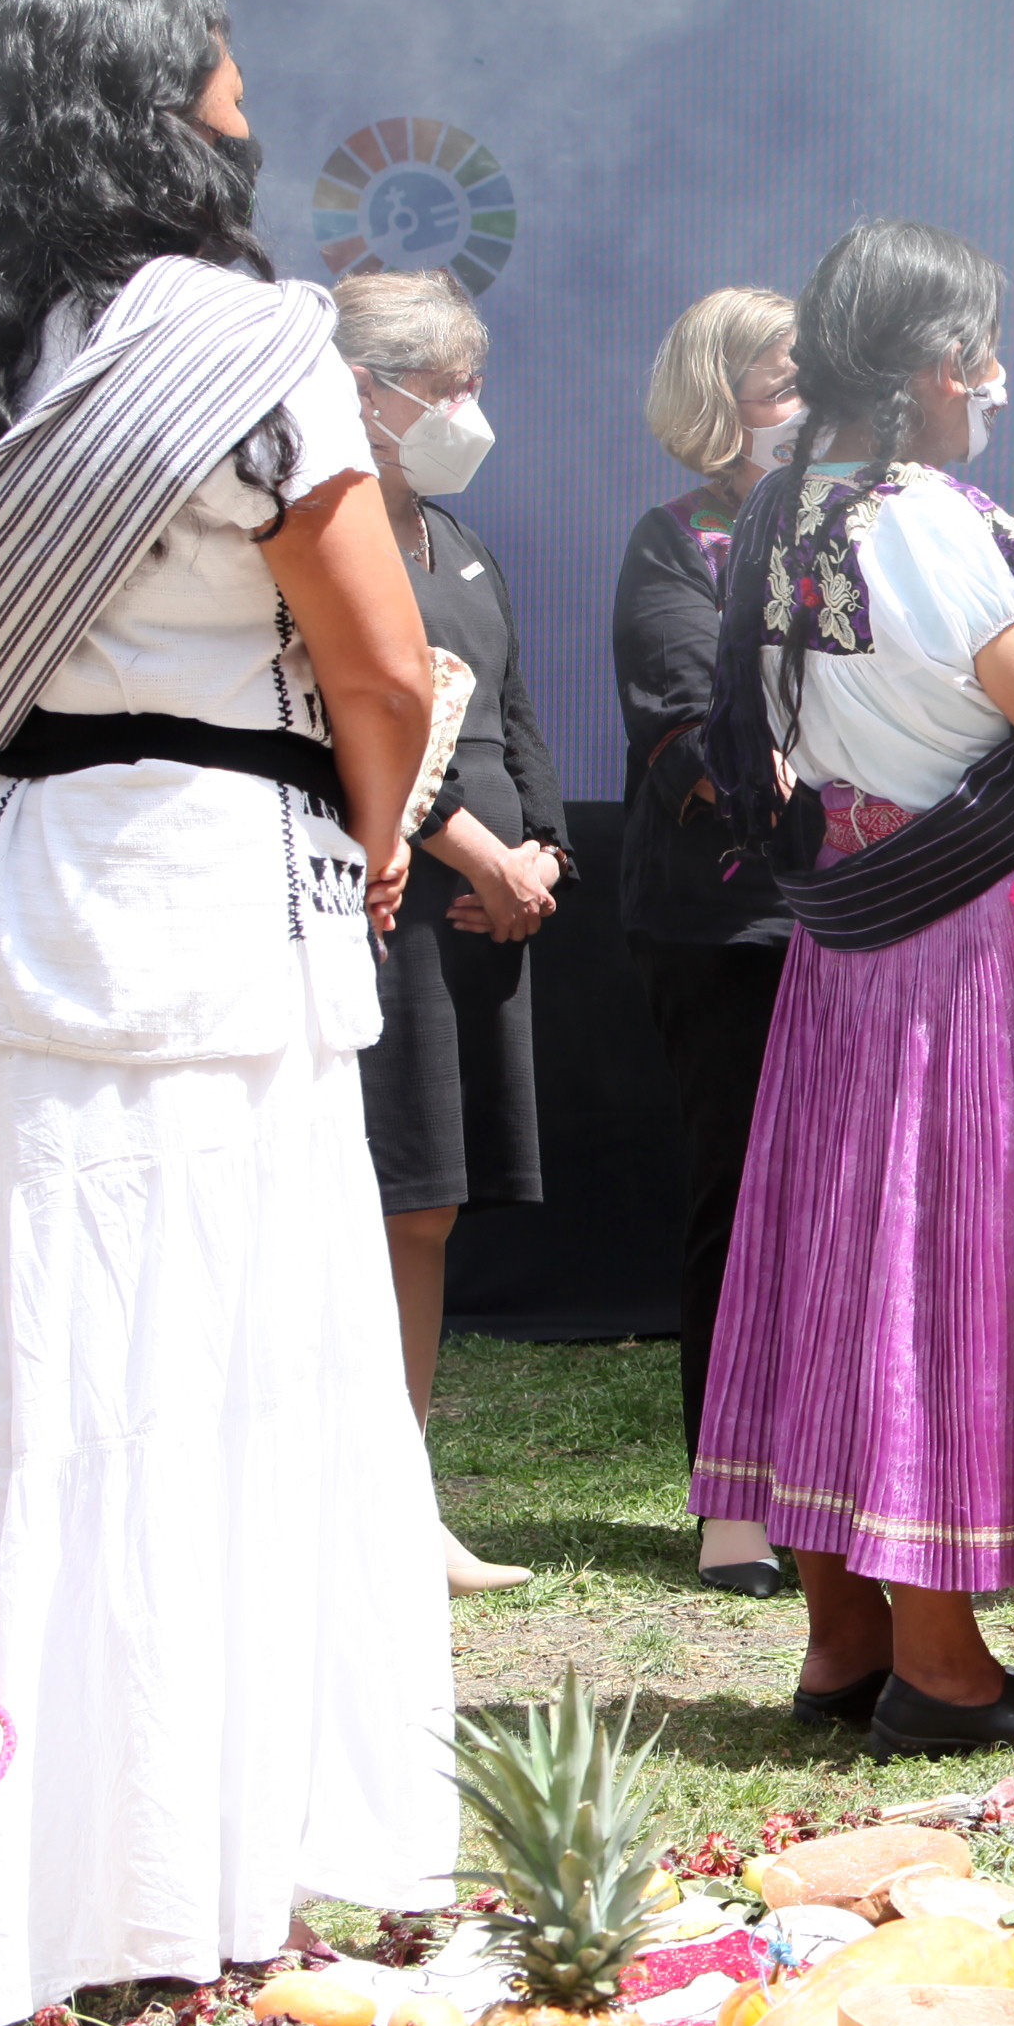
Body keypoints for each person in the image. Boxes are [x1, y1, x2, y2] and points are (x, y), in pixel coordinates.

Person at [0, 0, 448, 2010]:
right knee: (200, 1395)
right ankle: (178, 1882)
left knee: (5, 1391)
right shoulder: (241, 342)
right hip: (198, 906)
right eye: (225, 75)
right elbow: (384, 666)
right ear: (166, 107)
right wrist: (392, 836)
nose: (248, 107)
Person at [691, 219, 1014, 1754]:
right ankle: (943, 1667)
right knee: (937, 1272)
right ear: (934, 372)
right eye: (983, 355)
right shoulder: (929, 518)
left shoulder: (790, 508)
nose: (996, 383)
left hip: (849, 941)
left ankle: (844, 1640)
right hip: (964, 947)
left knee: (836, 1266)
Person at [330, 269, 563, 1598]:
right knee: (375, 1203)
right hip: (383, 904)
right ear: (365, 389)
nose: (470, 408)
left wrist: (543, 856)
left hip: (485, 913)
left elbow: (510, 708)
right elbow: (354, 710)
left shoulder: (460, 540)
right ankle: (351, 1501)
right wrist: (462, 846)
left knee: (429, 1211)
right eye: (446, 383)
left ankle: (403, 1493)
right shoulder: (329, 528)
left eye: (476, 379)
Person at [616, 285, 802, 1595]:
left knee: (849, 1209)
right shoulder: (676, 541)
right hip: (729, 919)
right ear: (724, 394)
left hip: (872, 910)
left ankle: (846, 1486)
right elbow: (685, 718)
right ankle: (735, 1505)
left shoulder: (868, 527)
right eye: (790, 375)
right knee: (742, 1202)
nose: (813, 395)